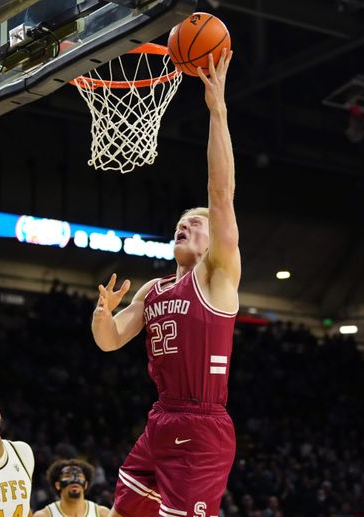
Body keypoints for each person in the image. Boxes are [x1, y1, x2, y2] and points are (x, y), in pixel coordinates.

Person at [91, 49, 239, 517]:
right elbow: (110, 342)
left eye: (196, 225)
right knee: (124, 512)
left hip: (202, 425)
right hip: (162, 418)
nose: (186, 227)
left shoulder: (216, 276)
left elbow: (220, 193)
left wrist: (217, 112)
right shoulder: (151, 292)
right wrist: (102, 313)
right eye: (182, 223)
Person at [33, 459, 110, 517]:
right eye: (68, 476)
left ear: (86, 484)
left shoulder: (102, 514)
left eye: (79, 476)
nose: (74, 480)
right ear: (58, 485)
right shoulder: (44, 515)